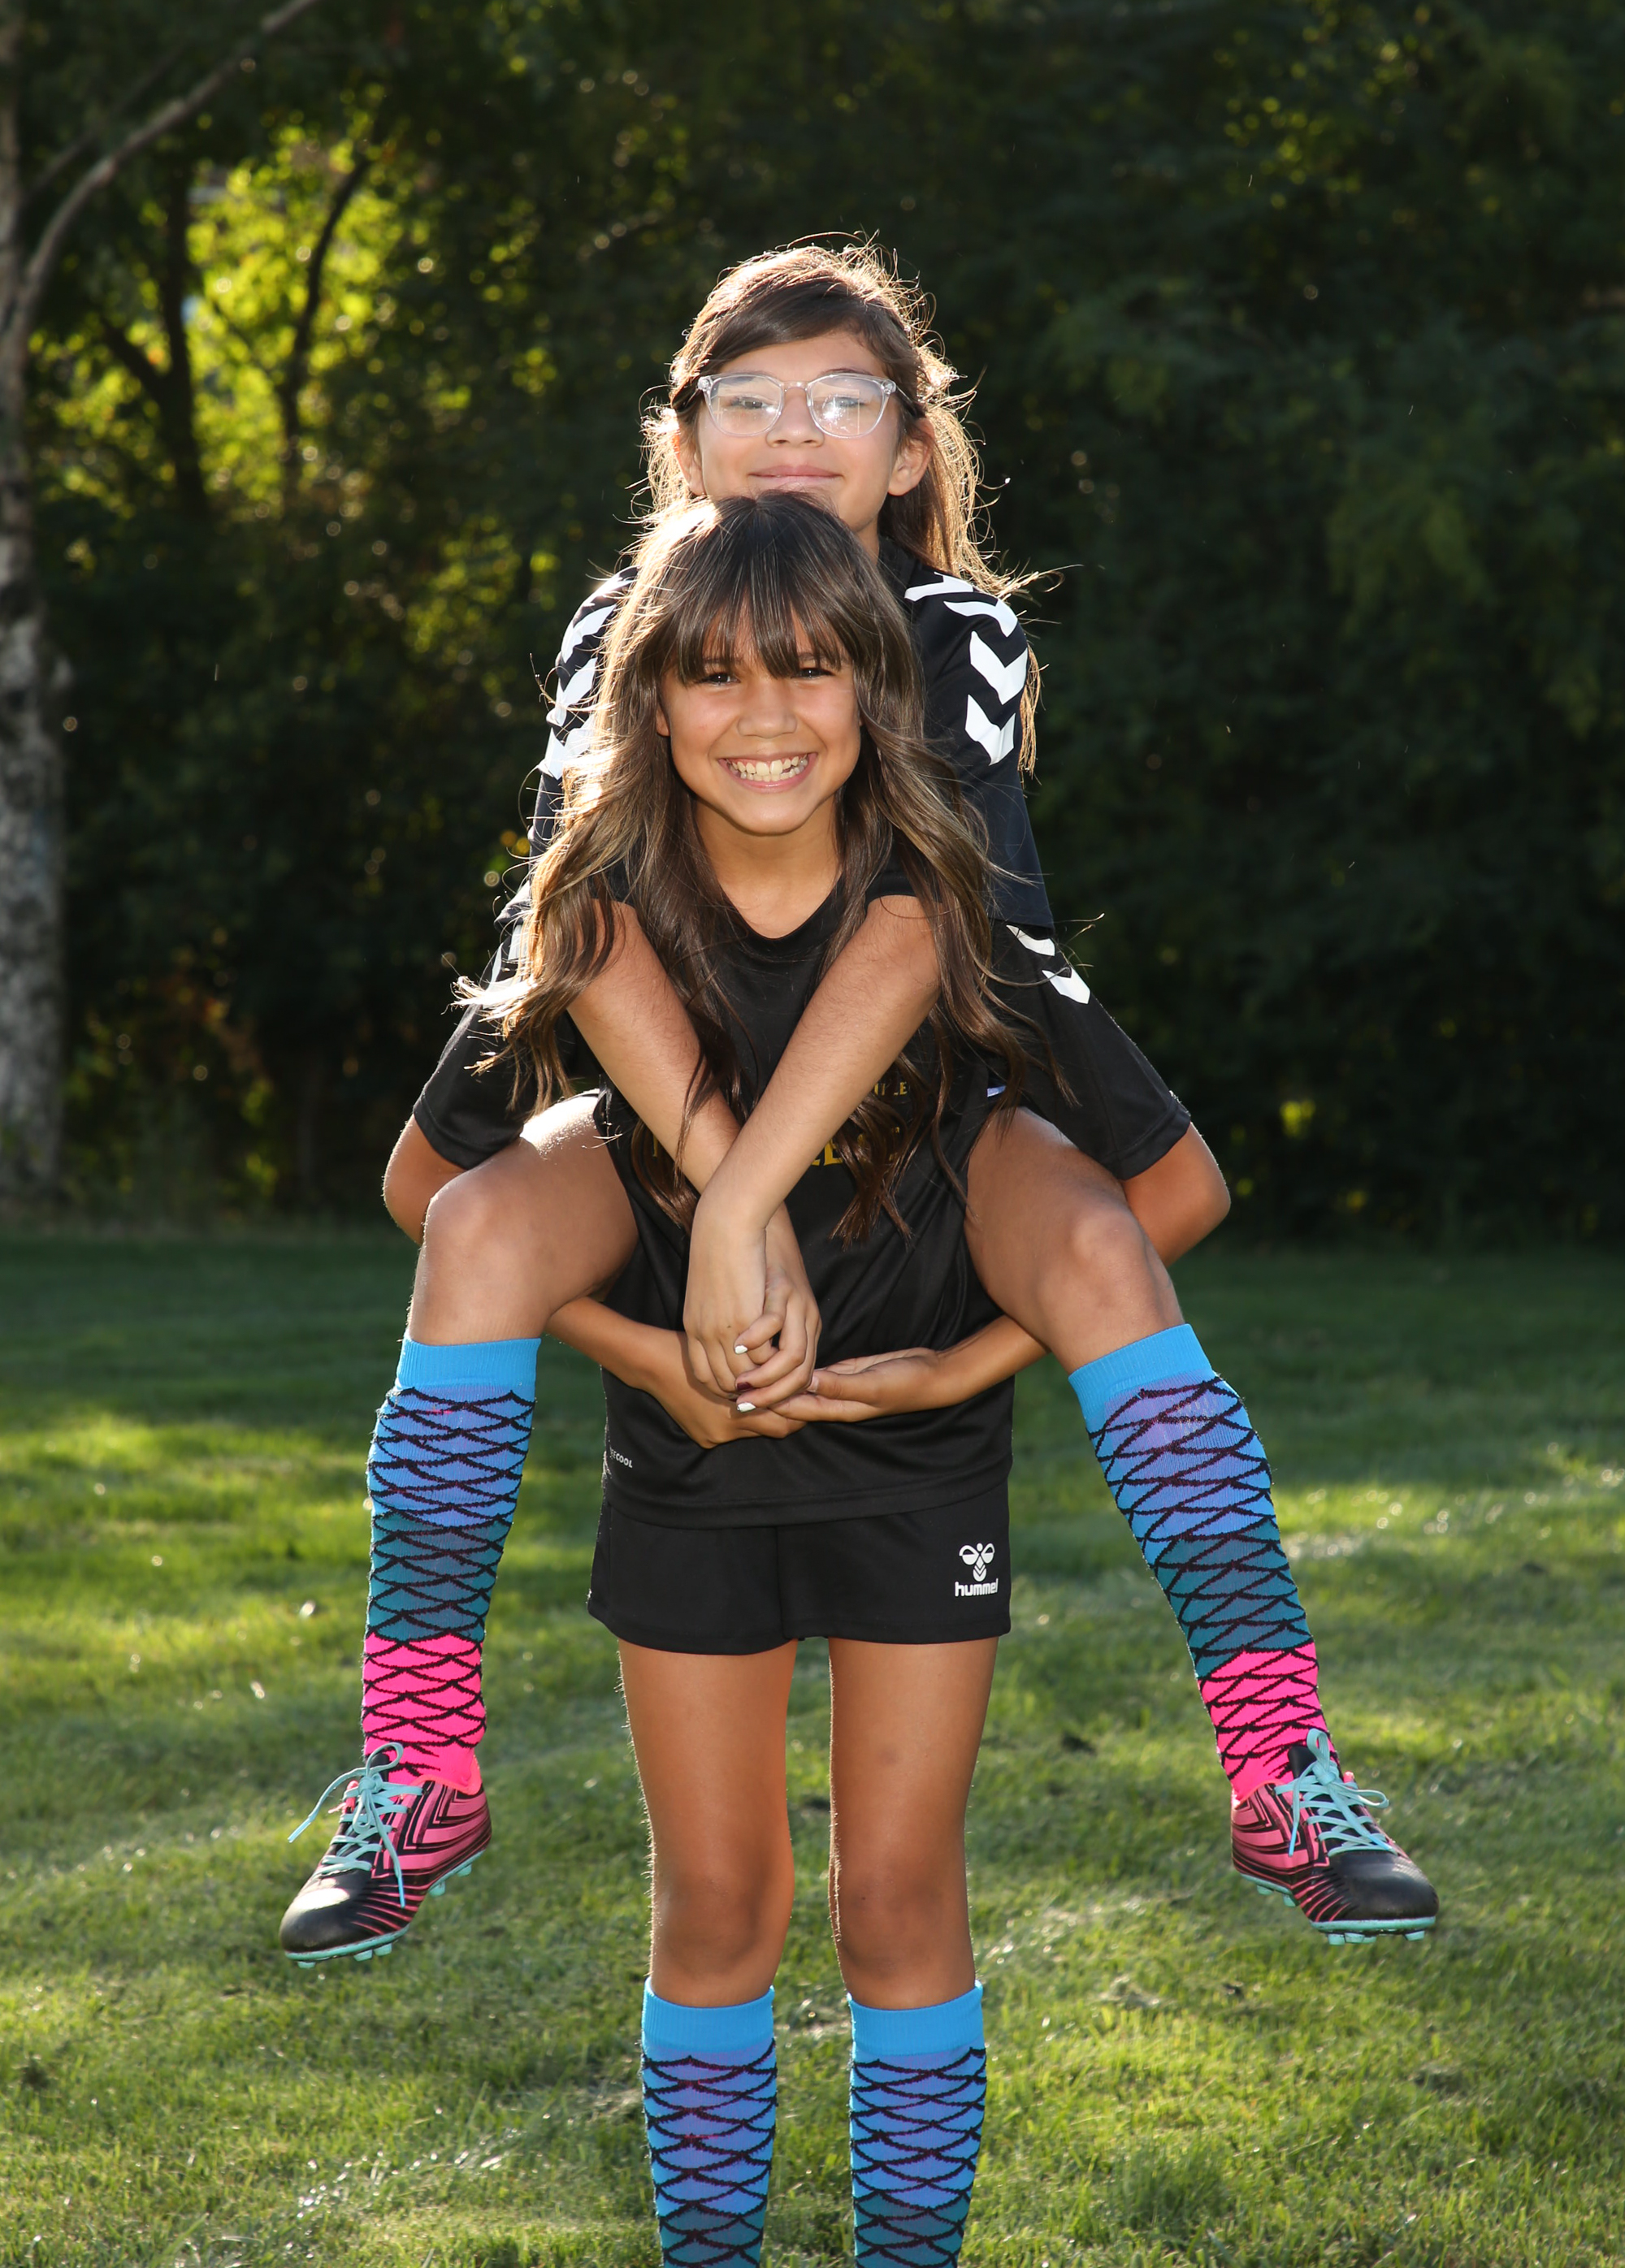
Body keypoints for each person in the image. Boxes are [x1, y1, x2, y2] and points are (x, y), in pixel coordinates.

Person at [280, 249, 1436, 1992]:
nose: (793, 429)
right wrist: (667, 1303)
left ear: (909, 450)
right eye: (747, 397)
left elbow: (925, 924)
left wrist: (951, 1357)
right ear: (683, 440)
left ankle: (1280, 1763)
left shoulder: (950, 626)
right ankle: (418, 1763)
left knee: (1122, 1230)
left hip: (938, 1075)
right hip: (668, 1058)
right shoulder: (618, 627)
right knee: (457, 1207)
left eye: (841, 397)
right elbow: (581, 911)